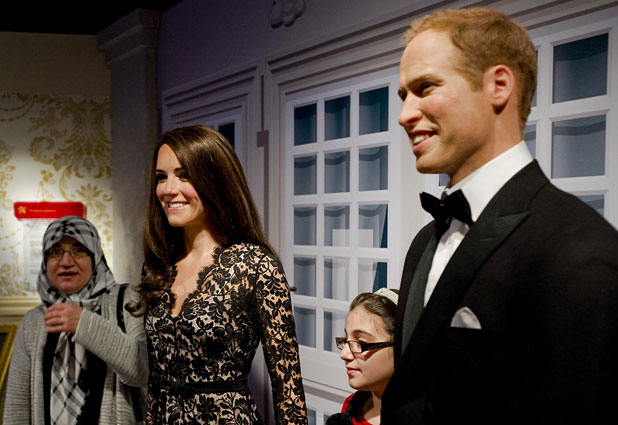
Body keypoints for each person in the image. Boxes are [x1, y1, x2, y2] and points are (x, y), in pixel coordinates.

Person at [383, 6, 618, 425]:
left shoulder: (579, 249)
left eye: (425, 87)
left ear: (498, 86)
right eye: (404, 96)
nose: (404, 115)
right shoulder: (424, 242)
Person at [130, 124, 307, 424]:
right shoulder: (159, 265)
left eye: (184, 175)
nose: (168, 189)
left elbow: (289, 393)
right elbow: (156, 382)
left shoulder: (255, 266)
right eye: (161, 177)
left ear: (215, 180)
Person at [3, 215, 148, 425]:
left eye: (79, 250)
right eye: (55, 252)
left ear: (95, 256)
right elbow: (17, 407)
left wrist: (84, 324)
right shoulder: (34, 320)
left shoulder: (128, 301)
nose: (66, 262)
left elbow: (140, 371)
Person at [327, 288, 399, 425]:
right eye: (346, 340)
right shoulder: (352, 407)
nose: (344, 354)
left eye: (361, 343)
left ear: (400, 346)